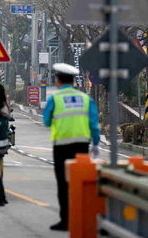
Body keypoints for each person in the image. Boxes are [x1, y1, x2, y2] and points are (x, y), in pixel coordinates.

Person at [43, 63, 100, 232]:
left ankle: (66, 220)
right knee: (81, 183)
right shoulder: (86, 99)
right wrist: (95, 144)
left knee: (63, 184)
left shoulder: (54, 98)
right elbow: (94, 124)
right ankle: (83, 217)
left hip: (61, 147)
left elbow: (46, 121)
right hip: (82, 146)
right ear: (74, 81)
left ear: (58, 80)